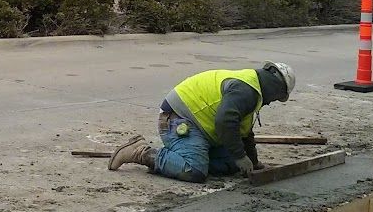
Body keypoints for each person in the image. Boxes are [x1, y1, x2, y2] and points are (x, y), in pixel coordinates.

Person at [107, 62, 296, 182]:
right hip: (178, 119)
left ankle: (180, 156)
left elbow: (244, 133)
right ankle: (141, 152)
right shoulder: (246, 91)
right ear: (276, 89)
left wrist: (252, 162)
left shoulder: (254, 90)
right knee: (195, 171)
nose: (273, 103)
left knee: (231, 166)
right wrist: (241, 156)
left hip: (201, 127)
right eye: (278, 98)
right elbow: (225, 122)